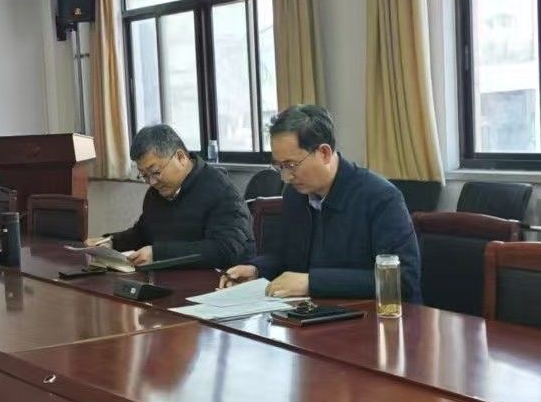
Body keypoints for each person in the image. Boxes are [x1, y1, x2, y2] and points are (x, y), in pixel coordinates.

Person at [219, 105, 422, 301]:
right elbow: (285, 256)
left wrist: (312, 282)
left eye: (291, 165)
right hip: (314, 312)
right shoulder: (295, 195)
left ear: (324, 153)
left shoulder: (381, 198)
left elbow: (402, 278)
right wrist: (257, 269)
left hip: (377, 317)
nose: (286, 177)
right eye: (279, 166)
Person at [87, 124, 254, 268]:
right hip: (170, 280)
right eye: (145, 176)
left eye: (155, 172)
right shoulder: (156, 194)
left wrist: (158, 254)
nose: (152, 182)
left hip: (219, 285)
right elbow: (144, 232)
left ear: (181, 157)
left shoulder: (221, 191)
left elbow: (225, 250)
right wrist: (110, 242)